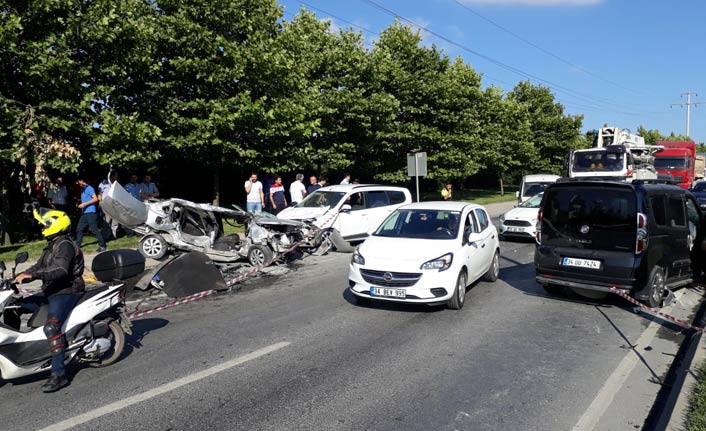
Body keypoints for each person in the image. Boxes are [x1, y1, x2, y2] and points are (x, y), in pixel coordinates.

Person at [14, 208, 85, 392]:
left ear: (56, 225)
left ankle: (59, 374)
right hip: (51, 290)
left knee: (52, 327)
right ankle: (19, 350)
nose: (42, 228)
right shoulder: (52, 245)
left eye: (45, 224)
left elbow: (60, 270)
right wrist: (21, 275)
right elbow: (39, 266)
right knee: (15, 306)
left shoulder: (65, 245)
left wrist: (34, 275)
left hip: (66, 291)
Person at [75, 175, 107, 252]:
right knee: (79, 228)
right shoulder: (83, 189)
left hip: (91, 212)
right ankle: (77, 245)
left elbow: (95, 198)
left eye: (78, 181)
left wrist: (84, 204)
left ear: (82, 180)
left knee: (94, 229)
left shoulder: (89, 188)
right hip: (84, 213)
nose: (77, 183)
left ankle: (103, 245)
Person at [98, 171, 120, 239]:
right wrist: (100, 202)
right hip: (106, 203)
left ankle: (113, 235)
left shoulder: (116, 184)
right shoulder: (104, 182)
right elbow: (100, 193)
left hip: (114, 204)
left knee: (115, 220)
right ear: (112, 176)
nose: (117, 177)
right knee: (107, 220)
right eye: (116, 175)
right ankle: (106, 235)